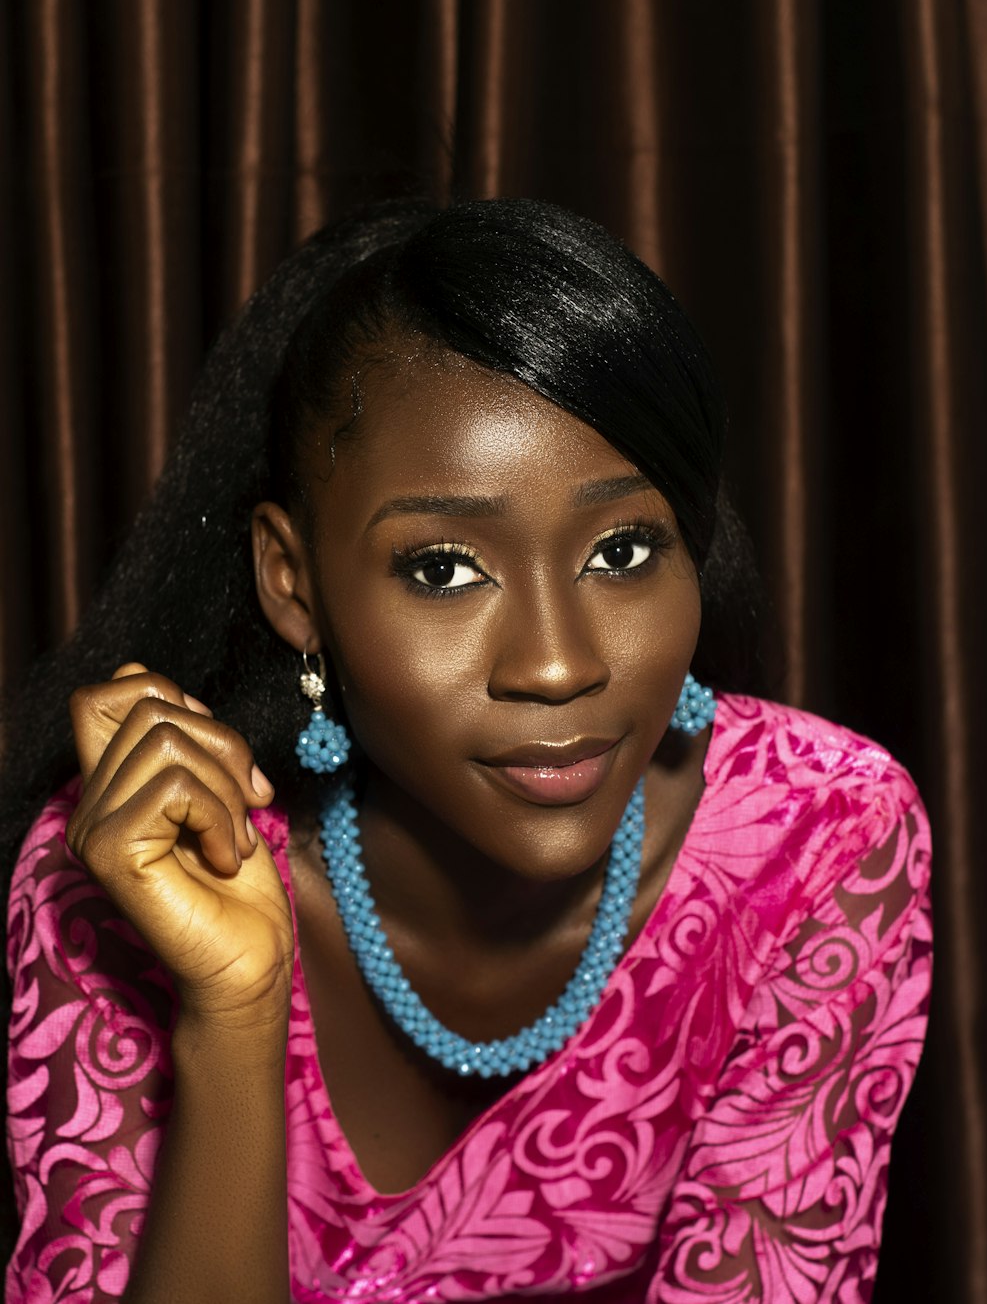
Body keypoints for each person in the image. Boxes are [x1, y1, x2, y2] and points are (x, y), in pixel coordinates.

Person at [1, 198, 931, 1304]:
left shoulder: (817, 840)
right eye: (444, 569)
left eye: (624, 549)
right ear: (293, 585)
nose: (554, 664)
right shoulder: (121, 874)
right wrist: (233, 1016)